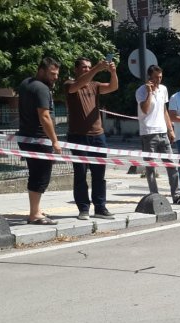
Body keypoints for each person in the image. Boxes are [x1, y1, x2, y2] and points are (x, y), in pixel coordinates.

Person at [65, 56, 119, 220]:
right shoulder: (69, 84)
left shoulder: (95, 86)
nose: (87, 70)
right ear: (76, 69)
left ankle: (100, 207)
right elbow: (76, 86)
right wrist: (97, 68)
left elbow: (113, 87)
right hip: (78, 136)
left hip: (98, 136)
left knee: (99, 174)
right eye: (84, 67)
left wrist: (113, 72)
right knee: (80, 174)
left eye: (89, 67)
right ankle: (83, 208)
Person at [135, 65, 180, 205]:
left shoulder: (163, 89)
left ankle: (177, 196)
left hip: (162, 131)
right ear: (149, 78)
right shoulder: (141, 91)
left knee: (171, 164)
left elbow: (164, 110)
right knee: (151, 167)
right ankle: (154, 196)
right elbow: (145, 109)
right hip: (148, 133)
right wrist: (149, 93)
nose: (158, 80)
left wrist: (170, 129)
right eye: (155, 77)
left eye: (160, 77)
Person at [18, 56, 62, 225]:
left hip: (26, 137)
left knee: (35, 174)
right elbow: (44, 116)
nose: (55, 77)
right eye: (52, 74)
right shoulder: (42, 88)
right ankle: (35, 214)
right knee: (41, 176)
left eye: (57, 74)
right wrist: (54, 140)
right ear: (41, 71)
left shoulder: (25, 84)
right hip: (39, 139)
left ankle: (35, 210)